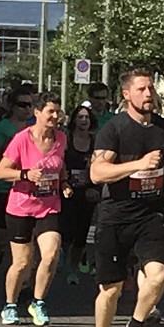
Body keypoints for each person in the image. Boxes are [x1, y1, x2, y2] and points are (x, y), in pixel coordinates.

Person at [89, 67, 164, 327]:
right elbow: (97, 173)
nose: (148, 94)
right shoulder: (113, 129)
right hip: (115, 215)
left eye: (151, 89)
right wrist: (138, 164)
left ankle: (135, 326)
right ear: (126, 94)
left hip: (151, 215)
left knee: (159, 275)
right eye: (141, 89)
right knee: (111, 289)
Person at [0, 91, 72, 327]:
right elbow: (1, 172)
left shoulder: (61, 138)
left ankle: (38, 302)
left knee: (50, 255)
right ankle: (10, 304)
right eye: (50, 111)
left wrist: (65, 183)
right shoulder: (21, 139)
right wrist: (26, 174)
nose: (55, 116)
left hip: (49, 206)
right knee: (22, 263)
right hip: (21, 207)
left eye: (57, 111)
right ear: (37, 113)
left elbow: (60, 166)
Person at [0, 90, 35, 282]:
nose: (28, 108)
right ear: (12, 107)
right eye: (23, 104)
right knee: (2, 237)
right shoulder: (4, 128)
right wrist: (13, 167)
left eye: (30, 104)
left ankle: (21, 278)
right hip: (0, 189)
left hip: (26, 190)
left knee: (26, 237)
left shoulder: (34, 128)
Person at [60, 104, 98, 285]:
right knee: (67, 231)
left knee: (82, 234)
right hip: (68, 191)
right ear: (74, 120)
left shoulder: (96, 141)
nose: (84, 121)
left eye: (87, 118)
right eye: (81, 117)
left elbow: (100, 167)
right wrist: (63, 183)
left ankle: (73, 269)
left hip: (87, 192)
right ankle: (62, 255)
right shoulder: (66, 139)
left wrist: (94, 188)